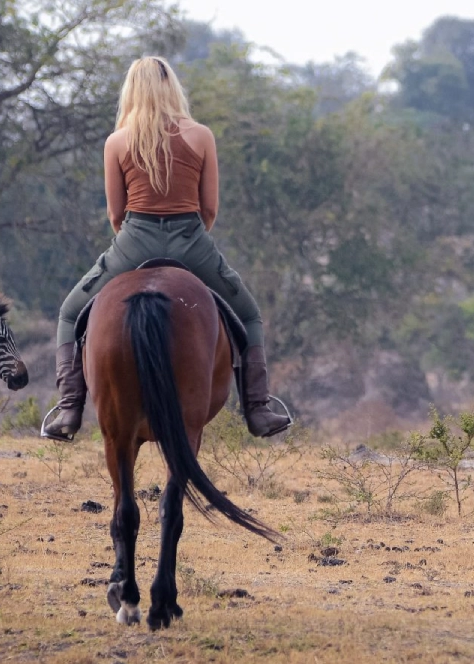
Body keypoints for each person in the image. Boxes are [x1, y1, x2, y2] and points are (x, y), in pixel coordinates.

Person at [43, 56, 291, 441]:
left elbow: (115, 213)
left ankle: (69, 409)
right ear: (172, 87)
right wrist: (189, 240)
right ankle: (257, 408)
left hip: (133, 240)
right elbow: (209, 208)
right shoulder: (201, 135)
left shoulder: (118, 141)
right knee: (250, 315)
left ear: (132, 91)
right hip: (191, 240)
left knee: (69, 312)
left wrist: (135, 240)